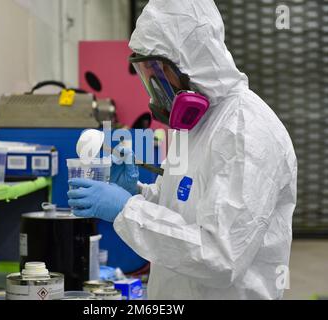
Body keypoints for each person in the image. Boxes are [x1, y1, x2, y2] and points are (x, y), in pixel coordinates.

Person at [68, 0, 297, 300]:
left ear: (191, 60)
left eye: (157, 71)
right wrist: (136, 193)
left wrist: (126, 209)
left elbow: (220, 256)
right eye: (145, 72)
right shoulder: (196, 125)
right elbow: (179, 214)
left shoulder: (246, 132)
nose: (153, 85)